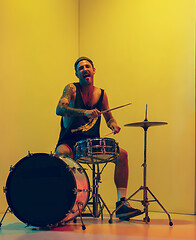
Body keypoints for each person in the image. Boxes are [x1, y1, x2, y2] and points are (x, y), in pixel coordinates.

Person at [55, 56, 141, 220]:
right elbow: (60, 109)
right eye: (80, 68)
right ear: (76, 73)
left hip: (91, 142)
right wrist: (85, 112)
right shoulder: (71, 89)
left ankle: (122, 204)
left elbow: (109, 116)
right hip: (70, 141)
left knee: (122, 155)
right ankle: (67, 202)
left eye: (87, 66)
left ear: (94, 70)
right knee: (62, 153)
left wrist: (113, 124)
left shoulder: (101, 94)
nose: (84, 69)